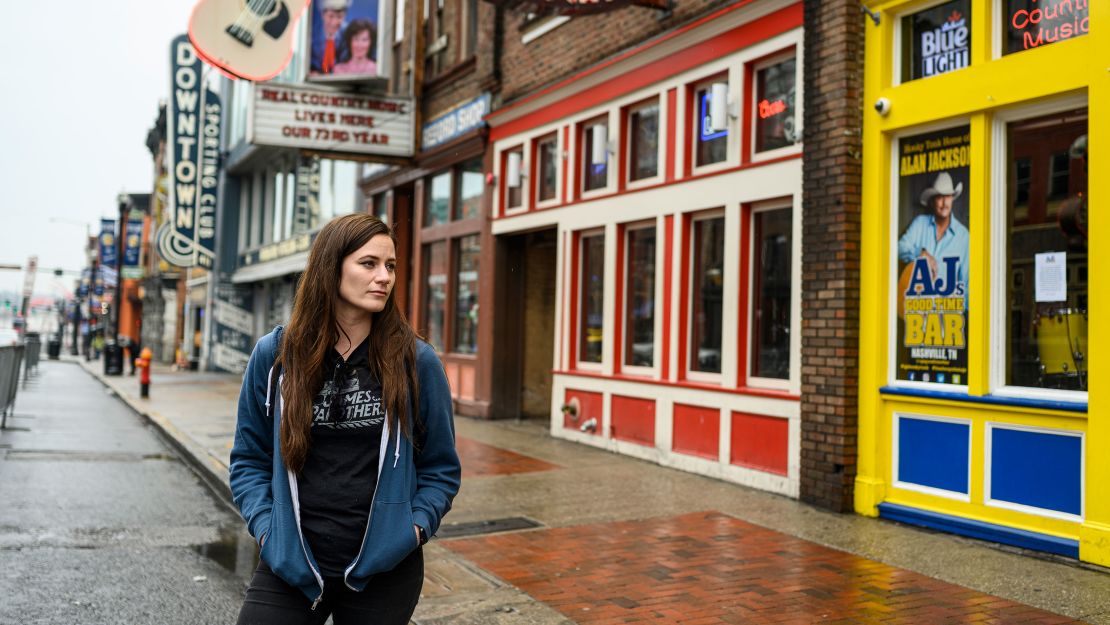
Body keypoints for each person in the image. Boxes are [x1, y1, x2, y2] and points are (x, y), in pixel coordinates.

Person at [230, 214, 461, 624]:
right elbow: (249, 458)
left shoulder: (415, 361)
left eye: (390, 266)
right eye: (368, 263)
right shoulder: (277, 355)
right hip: (291, 563)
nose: (384, 277)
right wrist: (268, 531)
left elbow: (441, 467)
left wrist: (413, 530)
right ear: (331, 266)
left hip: (384, 571)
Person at [897, 171, 969, 296]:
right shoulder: (919, 224)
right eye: (939, 197)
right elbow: (898, 248)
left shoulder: (963, 236)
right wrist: (920, 254)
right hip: (917, 309)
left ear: (952, 198)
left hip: (947, 312)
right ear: (932, 201)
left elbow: (967, 286)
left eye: (948, 196)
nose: (944, 203)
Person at [311, 0, 350, 75]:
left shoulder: (348, 34)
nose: (334, 22)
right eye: (331, 16)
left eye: (339, 17)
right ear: (323, 15)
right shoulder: (312, 33)